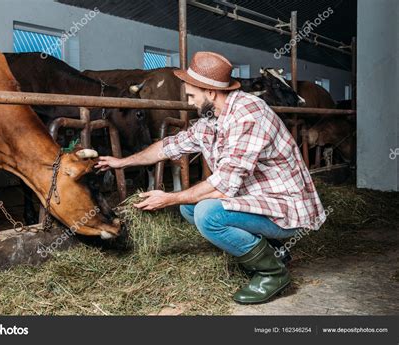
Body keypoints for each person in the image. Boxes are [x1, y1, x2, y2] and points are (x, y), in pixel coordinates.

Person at [95, 51, 326, 304]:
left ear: (211, 92)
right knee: (189, 206)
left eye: (192, 95)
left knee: (208, 214)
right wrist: (122, 162)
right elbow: (169, 146)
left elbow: (223, 187)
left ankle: (271, 273)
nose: (190, 102)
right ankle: (274, 251)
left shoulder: (249, 116)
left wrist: (168, 198)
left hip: (285, 208)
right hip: (257, 198)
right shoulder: (213, 118)